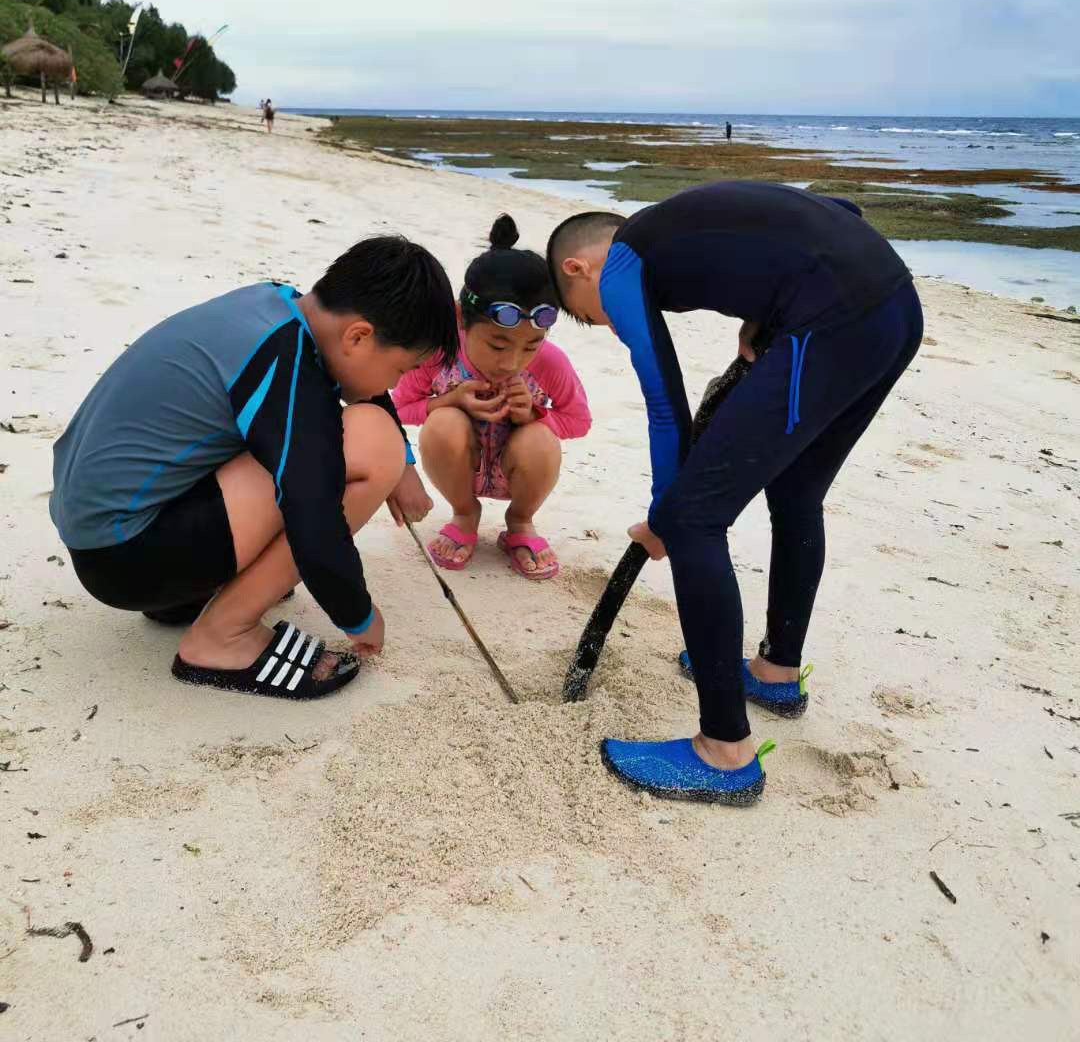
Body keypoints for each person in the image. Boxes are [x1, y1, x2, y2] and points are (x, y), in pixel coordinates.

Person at [547, 182, 922, 804]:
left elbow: (665, 403)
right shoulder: (680, 224)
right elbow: (837, 211)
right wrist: (768, 317)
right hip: (896, 310)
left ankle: (723, 752)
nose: (607, 320)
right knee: (797, 492)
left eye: (590, 314)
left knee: (693, 518)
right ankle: (775, 674)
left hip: (834, 319)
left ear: (578, 267)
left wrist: (667, 514)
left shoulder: (621, 264)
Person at [49, 237, 458, 700]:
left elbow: (349, 379)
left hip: (106, 533)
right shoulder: (285, 362)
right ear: (359, 336)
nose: (395, 384)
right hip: (127, 558)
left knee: (358, 438)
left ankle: (193, 597)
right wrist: (358, 615)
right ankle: (224, 637)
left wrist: (406, 461)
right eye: (403, 369)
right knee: (372, 442)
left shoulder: (279, 308)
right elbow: (314, 511)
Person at [393, 215, 591, 579]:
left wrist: (532, 414)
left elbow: (579, 421)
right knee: (442, 424)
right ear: (460, 319)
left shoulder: (549, 363)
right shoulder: (441, 351)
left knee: (540, 440)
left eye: (531, 346)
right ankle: (465, 514)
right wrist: (449, 400)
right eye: (498, 344)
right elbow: (401, 407)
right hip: (457, 465)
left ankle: (520, 520)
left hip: (517, 467)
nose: (512, 362)